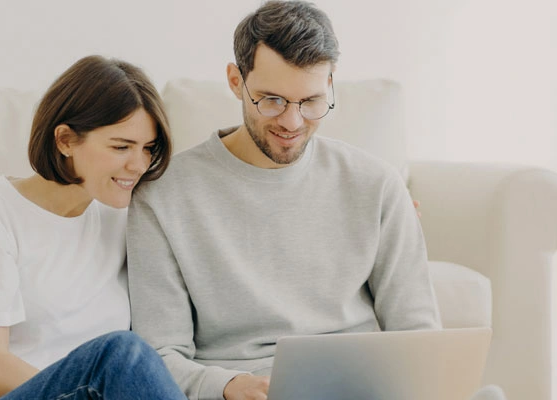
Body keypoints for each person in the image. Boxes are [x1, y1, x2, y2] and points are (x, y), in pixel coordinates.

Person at [125, 2, 455, 400]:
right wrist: (227, 385)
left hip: (361, 388)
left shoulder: (377, 184)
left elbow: (418, 335)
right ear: (235, 80)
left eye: (311, 102)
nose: (292, 122)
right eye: (272, 100)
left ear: (331, 83)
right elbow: (159, 354)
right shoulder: (162, 195)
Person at [0, 55, 187, 400]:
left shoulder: (122, 221)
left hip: (75, 393)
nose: (139, 164)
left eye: (148, 149)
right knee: (122, 355)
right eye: (121, 146)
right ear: (65, 140)